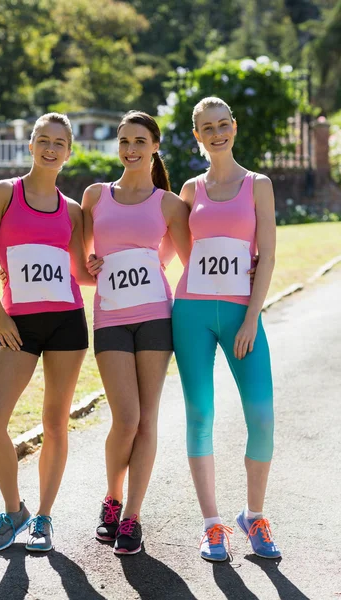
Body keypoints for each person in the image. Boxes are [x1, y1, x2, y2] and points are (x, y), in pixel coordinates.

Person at [0, 112, 93, 553]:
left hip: (67, 321)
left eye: (59, 142)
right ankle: (14, 510)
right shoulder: (3, 194)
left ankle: (43, 517)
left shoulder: (75, 210)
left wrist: (113, 265)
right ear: (30, 145)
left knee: (55, 422)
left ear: (68, 151)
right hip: (17, 324)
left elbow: (80, 271)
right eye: (43, 139)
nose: (50, 148)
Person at [172, 97, 281, 561]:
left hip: (242, 316)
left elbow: (269, 255)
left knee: (262, 419)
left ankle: (253, 515)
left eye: (222, 125)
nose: (216, 133)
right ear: (197, 135)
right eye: (206, 128)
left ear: (233, 128)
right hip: (191, 313)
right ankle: (212, 526)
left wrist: (252, 316)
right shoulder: (189, 190)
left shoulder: (258, 185)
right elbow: (181, 249)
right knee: (200, 417)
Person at [83, 111, 191, 554]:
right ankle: (112, 496)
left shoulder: (168, 204)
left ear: (155, 146)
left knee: (147, 419)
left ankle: (132, 518)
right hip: (109, 316)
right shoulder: (95, 196)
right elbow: (82, 261)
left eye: (139, 141)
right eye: (124, 141)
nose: (130, 149)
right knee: (124, 418)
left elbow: (190, 261)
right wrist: (89, 266)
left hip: (154, 318)